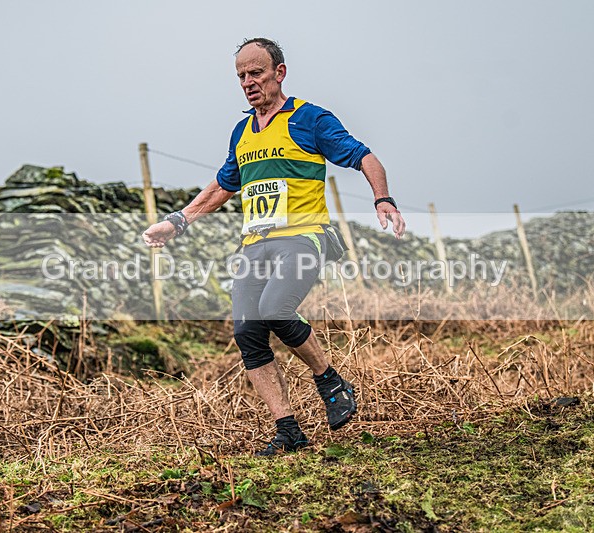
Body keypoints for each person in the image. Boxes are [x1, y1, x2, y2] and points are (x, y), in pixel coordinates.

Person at [143, 37, 405, 455]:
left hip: (303, 237)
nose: (249, 82)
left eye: (256, 73)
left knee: (275, 309)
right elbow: (223, 185)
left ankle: (329, 380)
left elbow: (366, 158)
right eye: (241, 76)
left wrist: (383, 198)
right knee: (247, 332)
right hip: (254, 245)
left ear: (279, 73)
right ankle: (288, 430)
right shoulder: (242, 132)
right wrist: (178, 221)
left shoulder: (310, 119)